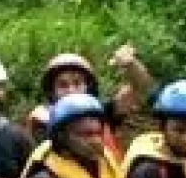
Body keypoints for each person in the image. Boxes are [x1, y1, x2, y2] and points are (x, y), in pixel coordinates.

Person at [26, 42, 156, 157]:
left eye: (77, 83)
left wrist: (131, 64)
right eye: (63, 85)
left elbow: (141, 87)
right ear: (52, 92)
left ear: (88, 87)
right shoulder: (43, 120)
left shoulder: (103, 113)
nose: (71, 91)